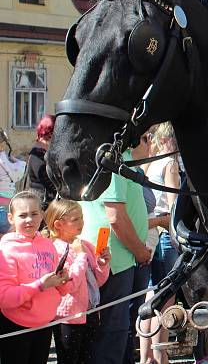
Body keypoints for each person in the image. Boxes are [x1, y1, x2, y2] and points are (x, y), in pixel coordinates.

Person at [80, 133, 151, 364]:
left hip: (122, 258)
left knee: (121, 334)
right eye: (147, 137)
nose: (150, 143)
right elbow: (115, 217)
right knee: (113, 335)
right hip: (114, 260)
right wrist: (140, 251)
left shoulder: (122, 159)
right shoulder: (115, 159)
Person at [0, 191, 72, 364]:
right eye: (22, 215)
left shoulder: (48, 245)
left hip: (44, 324)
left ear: (42, 215)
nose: (29, 220)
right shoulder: (6, 250)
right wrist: (40, 285)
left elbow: (61, 291)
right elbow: (5, 298)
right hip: (16, 326)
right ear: (11, 218)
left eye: (34, 214)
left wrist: (63, 280)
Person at [44, 199, 111, 364]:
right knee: (69, 359)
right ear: (58, 224)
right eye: (75, 219)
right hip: (68, 317)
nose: (81, 222)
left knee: (86, 358)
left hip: (90, 312)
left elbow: (97, 282)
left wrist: (103, 264)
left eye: (81, 217)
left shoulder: (84, 245)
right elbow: (69, 285)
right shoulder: (57, 249)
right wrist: (80, 256)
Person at [139, 123, 181, 364]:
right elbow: (174, 204)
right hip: (165, 232)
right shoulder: (170, 163)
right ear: (168, 140)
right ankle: (160, 353)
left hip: (150, 234)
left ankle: (146, 356)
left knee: (150, 294)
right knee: (166, 297)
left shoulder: (149, 162)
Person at [26, 114, 58, 210]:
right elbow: (48, 182)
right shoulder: (38, 155)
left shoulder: (43, 152)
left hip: (43, 202)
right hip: (42, 204)